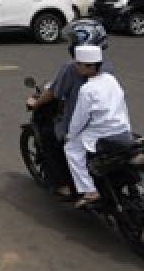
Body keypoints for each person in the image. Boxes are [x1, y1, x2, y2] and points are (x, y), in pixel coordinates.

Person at [26, 19, 107, 197]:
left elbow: (53, 93)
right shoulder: (106, 68)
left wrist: (36, 103)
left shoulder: (72, 69)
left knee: (50, 136)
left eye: (72, 41)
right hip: (110, 124)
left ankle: (64, 185)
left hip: (85, 128)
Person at [64, 44, 133, 208]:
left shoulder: (87, 89)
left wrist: (70, 134)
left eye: (78, 64)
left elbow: (80, 118)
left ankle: (89, 191)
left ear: (88, 66)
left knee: (71, 149)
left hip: (102, 134)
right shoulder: (110, 79)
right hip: (123, 129)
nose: (76, 66)